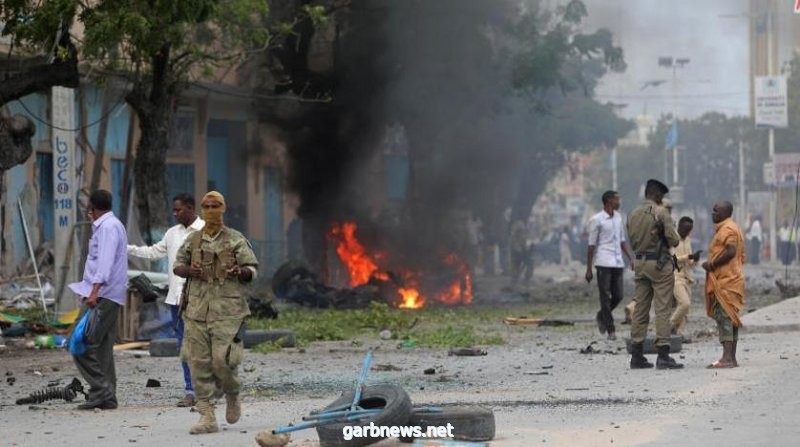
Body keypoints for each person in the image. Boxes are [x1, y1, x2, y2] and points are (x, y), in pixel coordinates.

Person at [173, 191, 258, 434]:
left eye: (215, 206)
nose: (210, 210)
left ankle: (232, 393)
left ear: (222, 209)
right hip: (197, 310)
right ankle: (207, 416)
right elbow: (177, 266)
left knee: (223, 362)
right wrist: (190, 270)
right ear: (201, 209)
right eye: (207, 206)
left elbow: (252, 270)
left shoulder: (235, 239)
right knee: (198, 363)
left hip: (228, 313)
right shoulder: (193, 240)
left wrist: (238, 272)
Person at [127, 193, 205, 407]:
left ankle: (208, 389)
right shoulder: (172, 233)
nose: (175, 213)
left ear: (190, 208)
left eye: (178, 209)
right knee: (184, 346)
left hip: (200, 301)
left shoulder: (206, 230)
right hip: (176, 301)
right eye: (174, 209)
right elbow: (154, 252)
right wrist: (126, 248)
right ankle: (191, 391)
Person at [68, 190, 128, 409]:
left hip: (103, 295)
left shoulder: (109, 228)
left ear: (93, 208)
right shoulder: (110, 226)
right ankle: (108, 397)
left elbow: (104, 262)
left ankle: (100, 391)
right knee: (102, 347)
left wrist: (93, 292)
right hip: (106, 294)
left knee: (79, 343)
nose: (88, 212)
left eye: (89, 208)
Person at [626, 179, 682, 369]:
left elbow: (632, 242)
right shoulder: (661, 212)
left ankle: (636, 354)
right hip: (659, 265)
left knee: (640, 309)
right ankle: (663, 355)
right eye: (662, 196)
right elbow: (674, 240)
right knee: (663, 309)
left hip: (640, 262)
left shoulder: (633, 214)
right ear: (657, 195)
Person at [585, 190, 634, 341]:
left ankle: (601, 315)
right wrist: (588, 268)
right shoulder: (597, 219)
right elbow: (591, 245)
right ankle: (611, 329)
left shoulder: (619, 218)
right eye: (617, 200)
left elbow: (622, 241)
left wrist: (630, 258)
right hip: (603, 261)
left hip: (617, 262)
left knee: (618, 295)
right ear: (608, 201)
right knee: (605, 296)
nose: (619, 202)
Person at [702, 201, 746, 368]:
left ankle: (727, 358)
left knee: (725, 318)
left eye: (716, 211)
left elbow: (731, 251)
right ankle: (732, 358)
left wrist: (712, 265)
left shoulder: (728, 229)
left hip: (727, 281)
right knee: (731, 319)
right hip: (730, 279)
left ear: (724, 213)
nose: (713, 213)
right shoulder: (728, 227)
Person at [623, 198, 673, 324]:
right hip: (661, 263)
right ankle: (664, 338)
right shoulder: (664, 221)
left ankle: (633, 306)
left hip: (642, 261)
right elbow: (674, 241)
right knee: (663, 302)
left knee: (643, 296)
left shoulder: (641, 219)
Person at [670, 216, 702, 342]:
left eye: (689, 230)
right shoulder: (673, 239)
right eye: (685, 229)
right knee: (684, 303)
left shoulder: (688, 240)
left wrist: (695, 259)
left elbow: (690, 263)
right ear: (679, 227)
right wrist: (688, 256)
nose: (687, 232)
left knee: (686, 311)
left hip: (688, 277)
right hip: (675, 277)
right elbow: (673, 259)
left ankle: (679, 334)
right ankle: (668, 327)